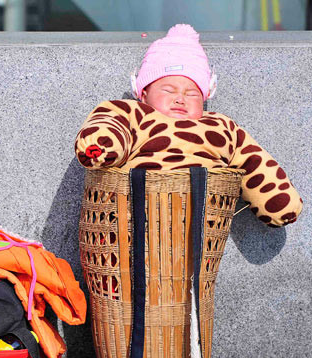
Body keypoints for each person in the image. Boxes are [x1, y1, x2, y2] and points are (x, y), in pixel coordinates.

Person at [74, 24, 302, 227]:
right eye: (168, 90)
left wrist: (280, 202)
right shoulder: (136, 114)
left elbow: (253, 159)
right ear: (143, 94)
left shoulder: (220, 126)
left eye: (192, 93)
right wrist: (100, 145)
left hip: (200, 231)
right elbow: (110, 121)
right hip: (134, 221)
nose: (180, 99)